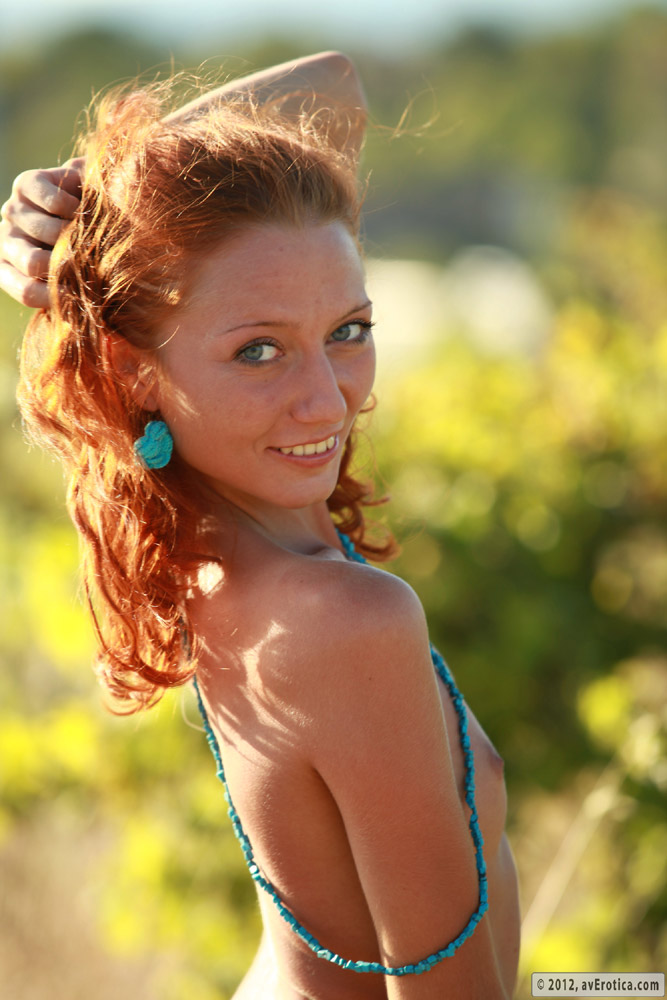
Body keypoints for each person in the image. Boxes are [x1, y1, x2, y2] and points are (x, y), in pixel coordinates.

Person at [0, 52, 520, 999]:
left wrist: (98, 206)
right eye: (258, 351)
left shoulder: (227, 551)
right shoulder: (341, 616)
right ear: (135, 372)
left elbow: (336, 87)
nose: (327, 399)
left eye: (348, 331)